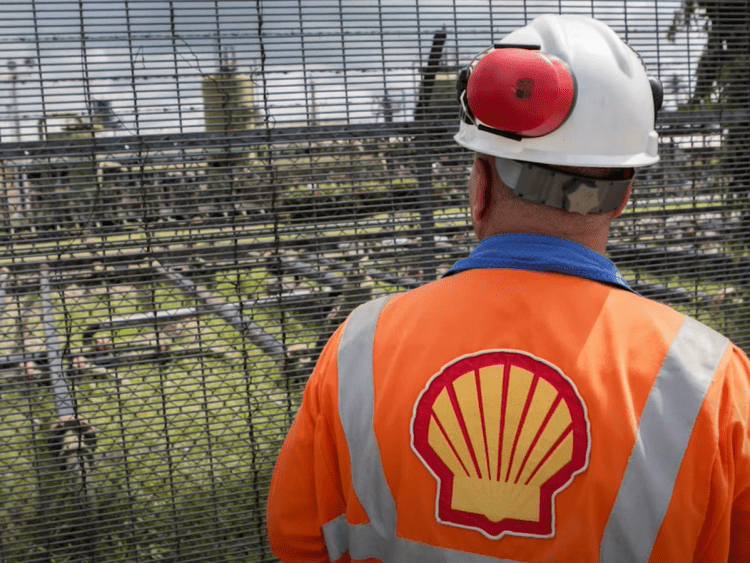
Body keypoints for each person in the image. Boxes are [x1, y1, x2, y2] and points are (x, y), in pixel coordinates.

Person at [266, 14, 750, 563]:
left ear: (479, 183)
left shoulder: (358, 348)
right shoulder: (713, 382)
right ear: (624, 194)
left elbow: (298, 540)